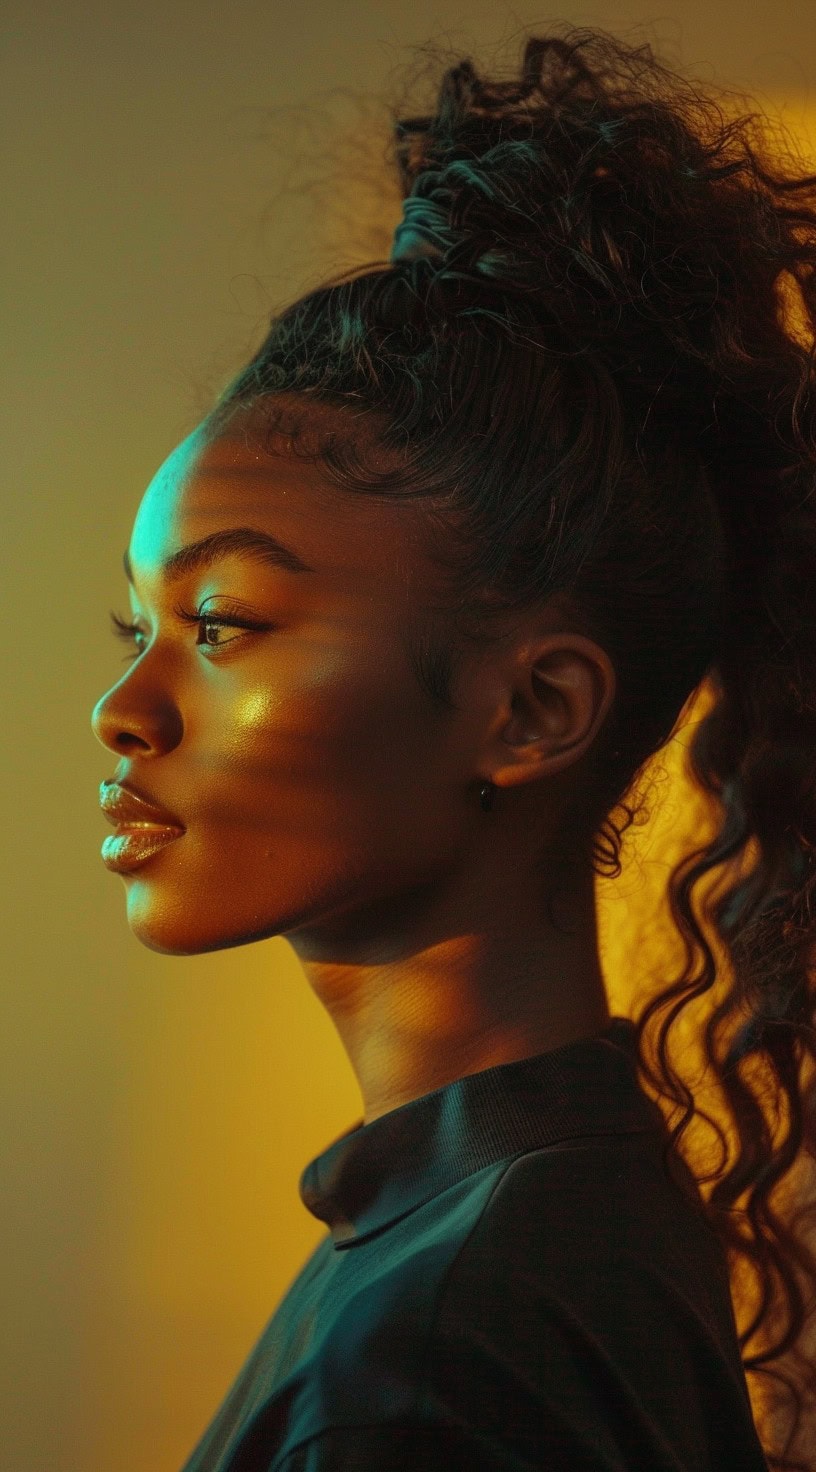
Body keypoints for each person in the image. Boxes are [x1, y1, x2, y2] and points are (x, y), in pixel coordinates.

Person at [91, 24, 816, 1472]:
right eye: (138, 631)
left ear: (533, 711)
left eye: (225, 622)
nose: (128, 710)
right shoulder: (542, 1227)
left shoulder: (437, 1356)